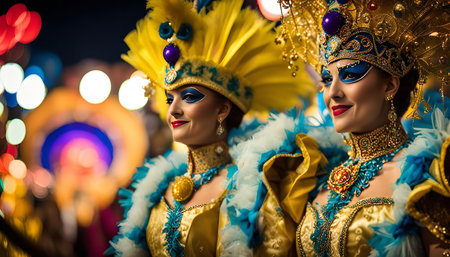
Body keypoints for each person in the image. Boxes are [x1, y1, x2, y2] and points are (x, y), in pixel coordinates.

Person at [226, 0, 450, 256]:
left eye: (351, 75)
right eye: (327, 79)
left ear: (390, 85)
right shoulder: (310, 175)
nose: (333, 93)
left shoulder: (429, 176)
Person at [105, 0, 315, 256]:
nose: (173, 110)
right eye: (170, 99)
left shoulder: (254, 189)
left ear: (222, 110)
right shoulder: (157, 188)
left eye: (190, 97)